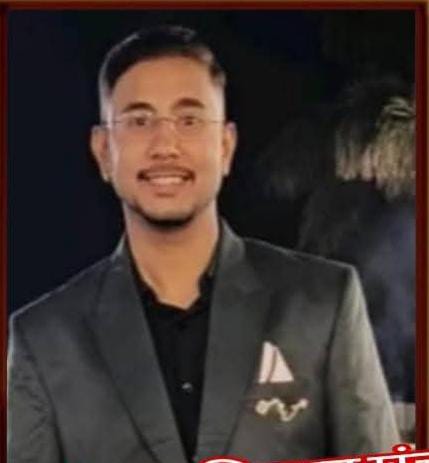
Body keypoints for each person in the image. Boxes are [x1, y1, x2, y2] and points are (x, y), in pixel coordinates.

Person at [7, 25, 400, 463]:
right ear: (103, 152)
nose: (165, 145)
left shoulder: (322, 303)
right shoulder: (43, 339)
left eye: (189, 120)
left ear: (225, 146)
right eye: (139, 121)